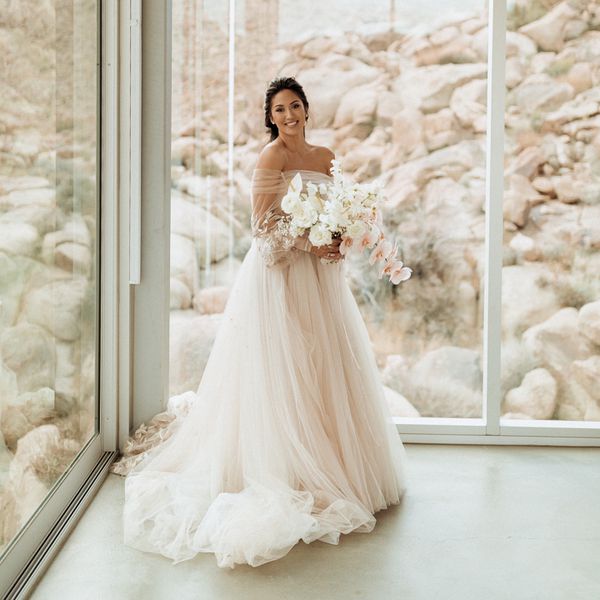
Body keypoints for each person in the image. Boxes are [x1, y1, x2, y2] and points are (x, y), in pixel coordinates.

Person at [116, 76, 409, 570]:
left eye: (296, 106)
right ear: (270, 117)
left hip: (322, 278)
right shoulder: (271, 158)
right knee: (285, 368)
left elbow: (337, 211)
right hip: (281, 278)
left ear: (308, 110)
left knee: (325, 364)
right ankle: (285, 466)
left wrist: (339, 237)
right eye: (280, 109)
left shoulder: (324, 156)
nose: (289, 115)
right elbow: (261, 229)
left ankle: (336, 464)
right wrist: (307, 242)